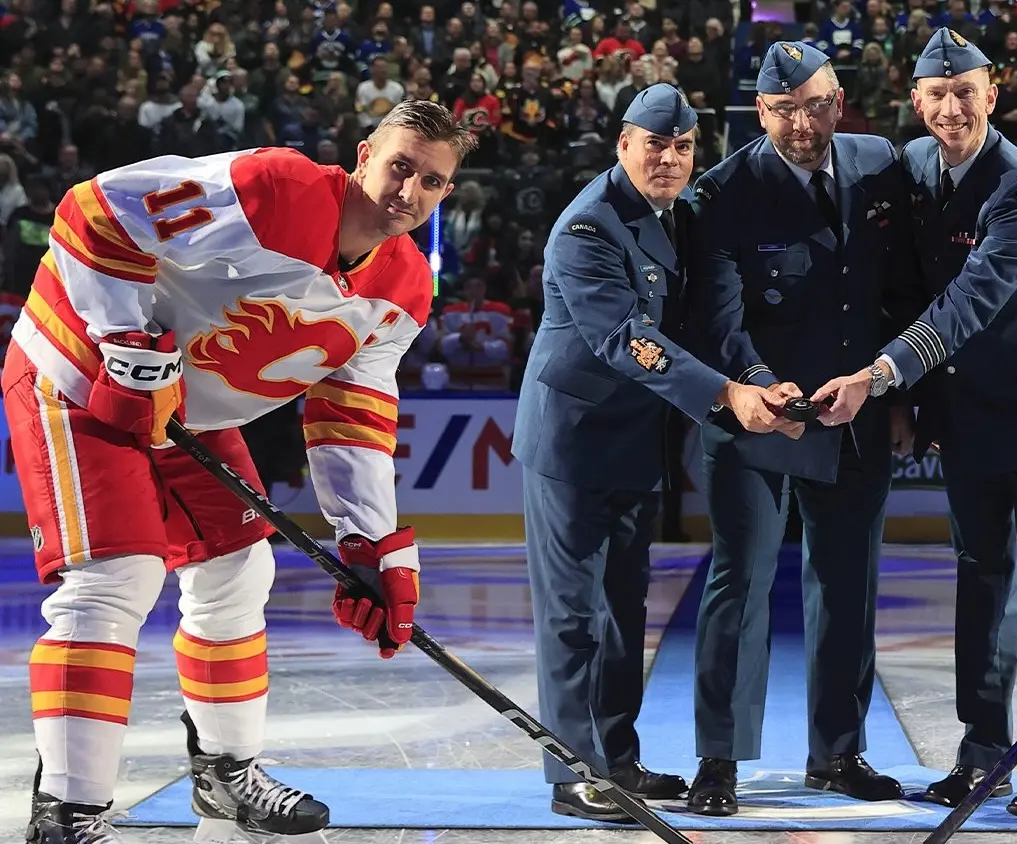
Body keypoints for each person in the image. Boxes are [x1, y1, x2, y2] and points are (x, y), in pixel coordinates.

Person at [10, 99, 475, 844]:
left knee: (238, 571)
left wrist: (369, 544)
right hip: (74, 372)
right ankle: (67, 811)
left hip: (187, 410)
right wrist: (125, 339)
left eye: (431, 181)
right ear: (364, 155)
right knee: (115, 578)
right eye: (400, 166)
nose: (409, 191)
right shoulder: (271, 188)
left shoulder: (404, 289)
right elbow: (92, 209)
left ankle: (224, 775)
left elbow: (351, 413)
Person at [811, 28, 1017, 822]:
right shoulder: (912, 168)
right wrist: (909, 397)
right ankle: (985, 758)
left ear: (992, 94)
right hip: (962, 419)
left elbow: (973, 298)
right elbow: (904, 283)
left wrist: (879, 376)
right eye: (935, 95)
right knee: (980, 586)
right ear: (916, 102)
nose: (950, 108)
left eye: (965, 91)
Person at [512, 83, 803, 822]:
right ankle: (575, 772)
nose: (669, 159)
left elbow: (701, 318)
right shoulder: (588, 228)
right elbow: (626, 340)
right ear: (623, 144)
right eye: (655, 145)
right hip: (572, 446)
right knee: (574, 613)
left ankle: (617, 760)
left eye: (681, 147)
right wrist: (726, 395)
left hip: (634, 440)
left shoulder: (675, 219)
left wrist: (758, 382)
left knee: (622, 610)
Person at [682, 41, 910, 816]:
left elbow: (898, 287)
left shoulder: (881, 161)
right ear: (759, 111)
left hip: (853, 414)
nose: (802, 124)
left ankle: (839, 755)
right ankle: (719, 760)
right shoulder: (720, 192)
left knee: (849, 587)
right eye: (783, 110)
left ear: (839, 100)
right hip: (757, 419)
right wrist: (752, 387)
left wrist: (895, 388)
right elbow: (716, 317)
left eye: (815, 105)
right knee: (738, 586)